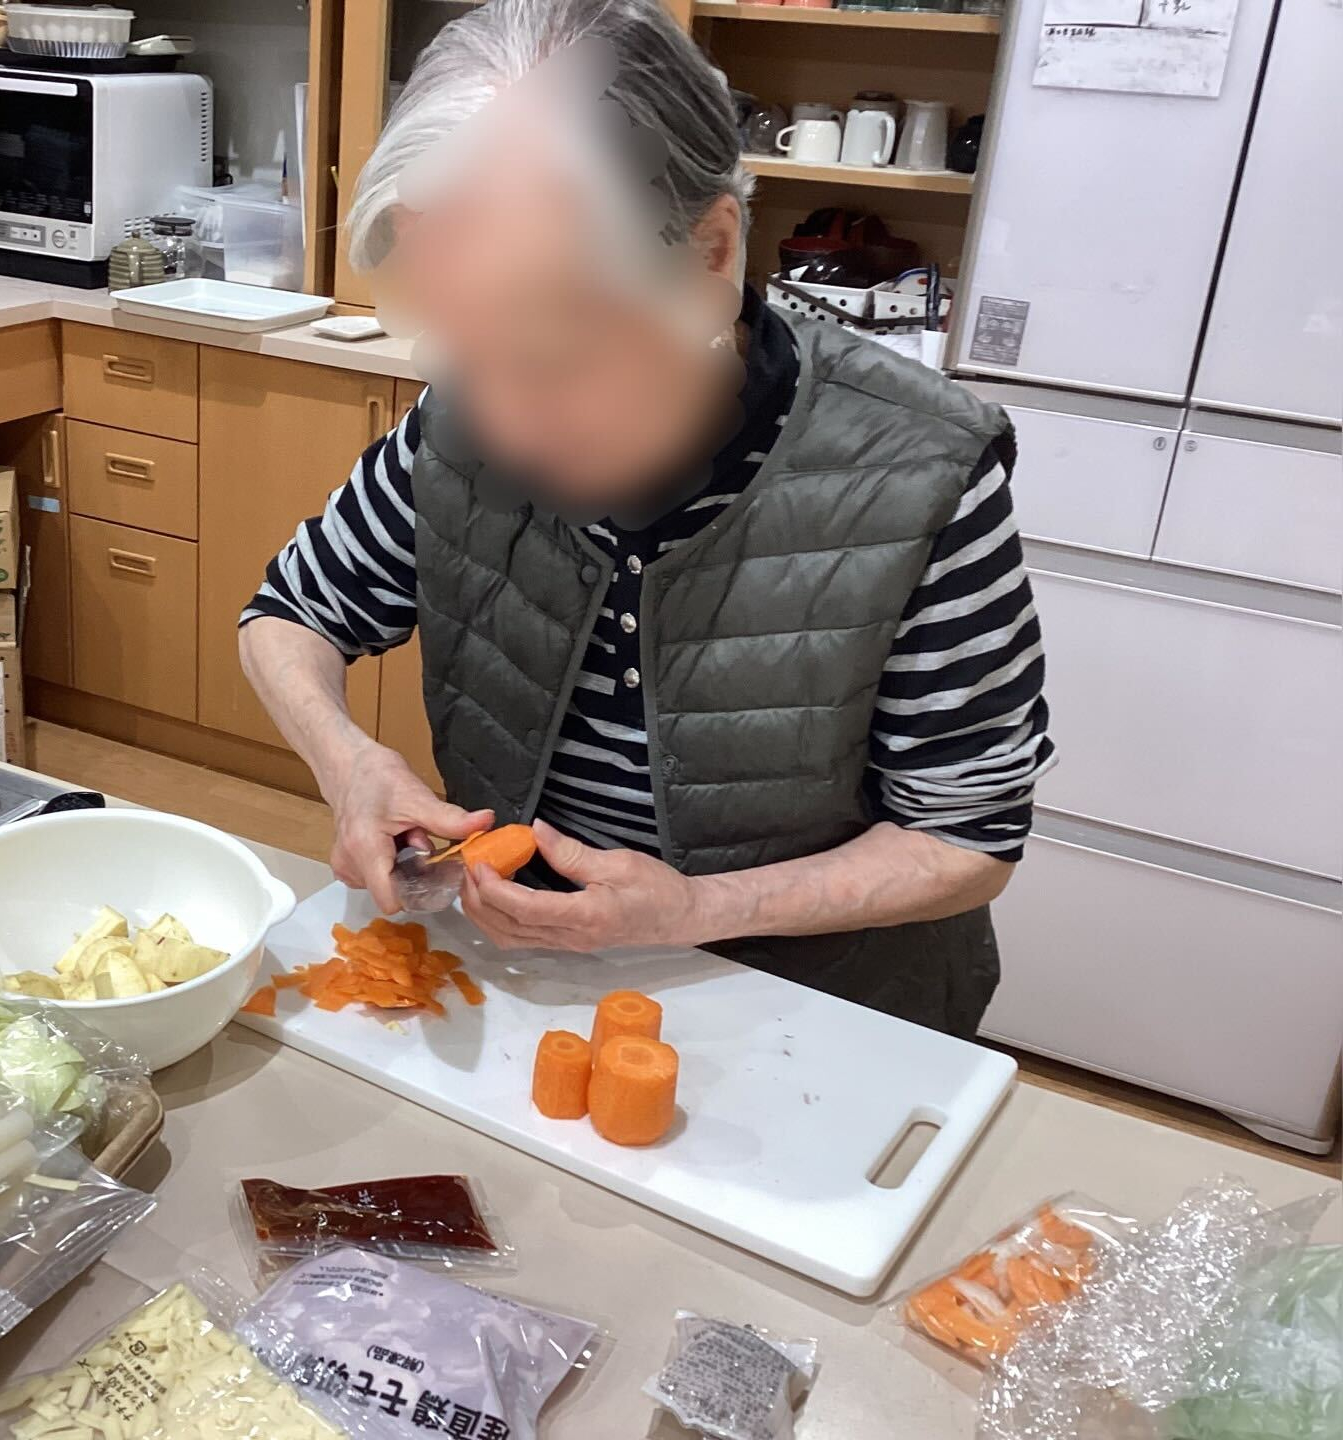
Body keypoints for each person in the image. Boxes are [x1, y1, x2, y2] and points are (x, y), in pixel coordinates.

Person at [237, 0, 1053, 1038]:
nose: (505, 426)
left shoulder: (920, 471)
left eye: (553, 360)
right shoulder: (464, 425)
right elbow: (288, 616)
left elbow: (966, 840)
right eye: (463, 356)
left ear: (710, 253)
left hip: (821, 1021)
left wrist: (698, 910)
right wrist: (349, 763)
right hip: (532, 986)